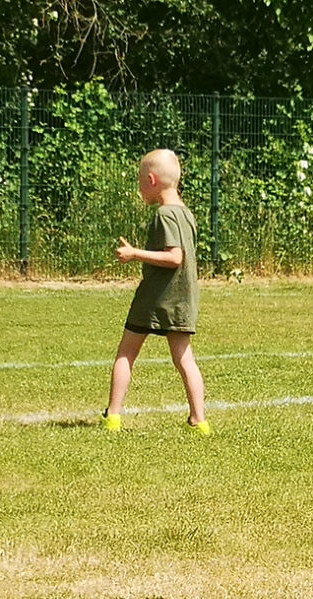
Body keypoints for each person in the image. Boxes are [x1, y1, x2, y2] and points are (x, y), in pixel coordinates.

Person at [101, 148, 211, 435]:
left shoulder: (164, 214)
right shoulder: (186, 214)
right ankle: (199, 420)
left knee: (126, 353)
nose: (139, 187)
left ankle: (113, 416)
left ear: (151, 180)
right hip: (182, 299)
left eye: (140, 181)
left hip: (155, 298)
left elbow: (175, 257)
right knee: (184, 358)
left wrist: (134, 253)